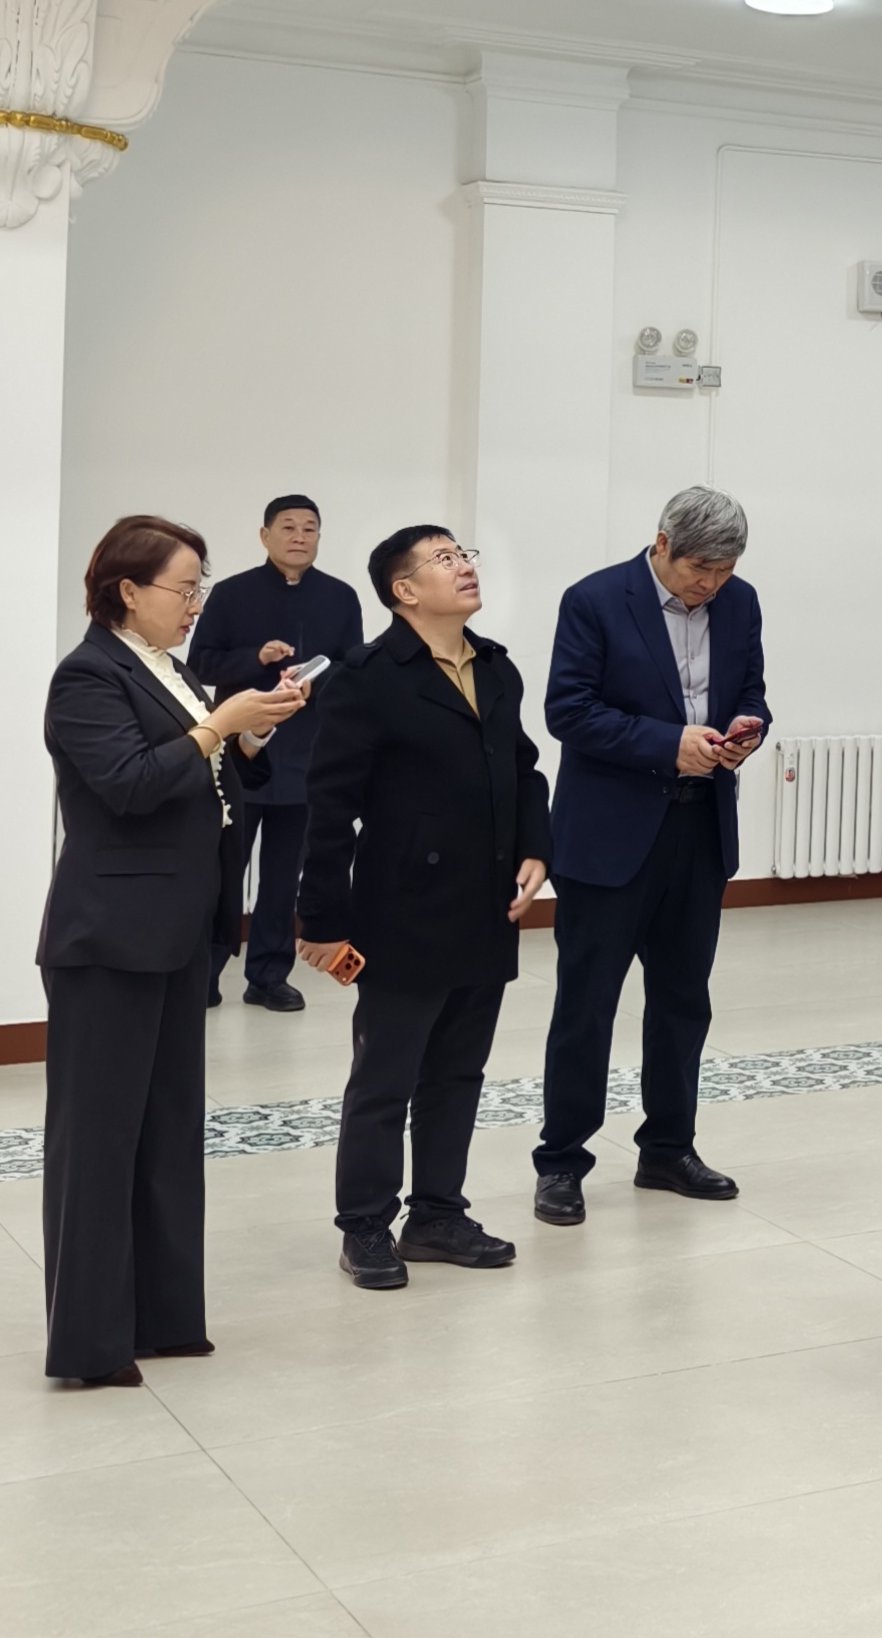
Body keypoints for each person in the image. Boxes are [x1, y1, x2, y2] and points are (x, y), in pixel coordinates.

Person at [36, 515, 307, 1385]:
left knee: (168, 1134)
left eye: (199, 588)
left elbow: (212, 778)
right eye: (184, 589)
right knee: (100, 1143)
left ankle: (163, 1317)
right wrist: (219, 725)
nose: (195, 605)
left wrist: (250, 733)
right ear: (127, 591)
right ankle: (92, 1342)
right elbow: (129, 784)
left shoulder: (169, 668)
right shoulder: (88, 674)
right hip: (110, 938)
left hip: (179, 932)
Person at [295, 527, 551, 1291]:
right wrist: (322, 921)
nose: (464, 566)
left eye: (464, 555)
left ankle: (437, 1215)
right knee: (386, 1080)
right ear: (403, 591)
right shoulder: (366, 677)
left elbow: (524, 768)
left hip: (485, 904)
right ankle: (365, 1225)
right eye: (444, 560)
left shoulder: (495, 666)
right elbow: (329, 807)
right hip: (401, 909)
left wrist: (536, 845)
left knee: (458, 1074)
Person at [531, 485, 771, 1224]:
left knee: (682, 1002)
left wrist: (748, 728)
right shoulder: (596, 600)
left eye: (726, 570)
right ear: (662, 543)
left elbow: (753, 691)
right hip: (609, 836)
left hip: (699, 831)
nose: (712, 584)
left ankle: (668, 1148)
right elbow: (569, 711)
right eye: (701, 568)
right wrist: (669, 744)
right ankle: (562, 1160)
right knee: (587, 1006)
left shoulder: (741, 603)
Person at [191, 495, 367, 1012]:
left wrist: (317, 680)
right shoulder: (231, 593)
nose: (299, 536)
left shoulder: (341, 596)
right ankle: (203, 971)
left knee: (284, 878)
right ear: (264, 536)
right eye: (287, 527)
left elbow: (354, 672)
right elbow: (201, 664)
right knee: (222, 870)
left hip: (309, 754)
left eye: (309, 528)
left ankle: (268, 975)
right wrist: (256, 658)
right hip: (240, 755)